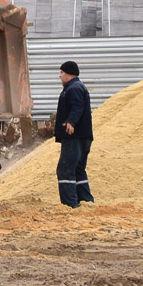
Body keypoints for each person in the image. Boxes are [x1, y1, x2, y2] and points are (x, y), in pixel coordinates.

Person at [54, 60, 94, 208]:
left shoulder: (73, 88)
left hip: (74, 136)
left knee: (65, 169)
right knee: (78, 169)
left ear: (69, 74)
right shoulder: (77, 87)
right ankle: (86, 202)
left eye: (62, 73)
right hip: (84, 135)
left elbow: (78, 106)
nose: (60, 76)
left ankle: (70, 205)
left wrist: (71, 122)